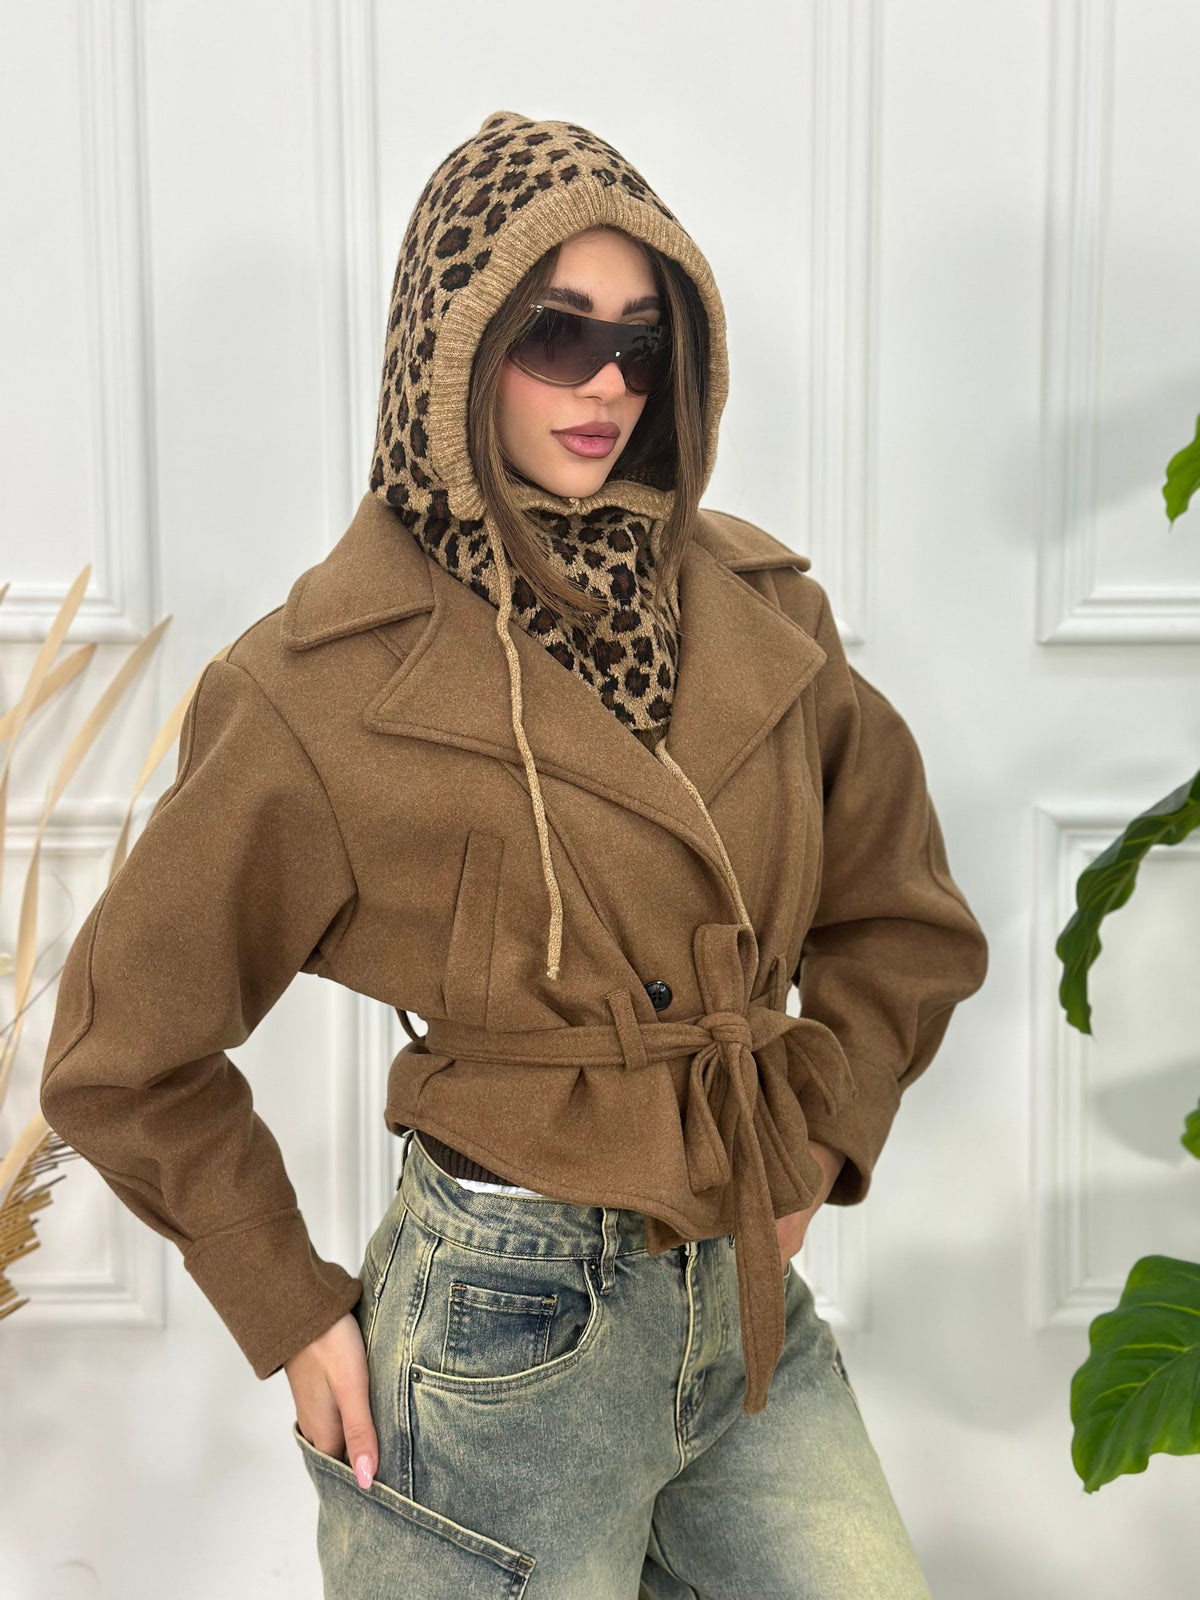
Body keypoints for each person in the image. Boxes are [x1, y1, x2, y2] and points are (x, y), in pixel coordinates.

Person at [40, 109, 989, 1597]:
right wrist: (288, 1308)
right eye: (557, 333)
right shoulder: (319, 684)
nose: (607, 382)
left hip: (739, 1306)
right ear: (455, 350)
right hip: (499, 1322)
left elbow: (903, 918)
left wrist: (817, 1137)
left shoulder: (765, 614)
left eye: (642, 341)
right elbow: (123, 1050)